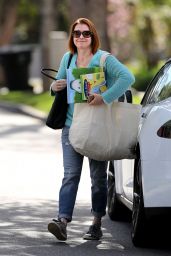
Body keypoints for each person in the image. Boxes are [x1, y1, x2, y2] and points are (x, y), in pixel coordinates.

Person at [48, 17, 135, 241]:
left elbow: (128, 77)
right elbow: (58, 83)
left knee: (97, 178)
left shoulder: (103, 59)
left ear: (93, 36)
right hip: (71, 126)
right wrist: (54, 86)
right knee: (70, 175)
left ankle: (96, 222)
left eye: (86, 33)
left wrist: (104, 98)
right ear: (72, 37)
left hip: (97, 127)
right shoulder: (68, 58)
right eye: (77, 33)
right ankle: (62, 220)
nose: (81, 37)